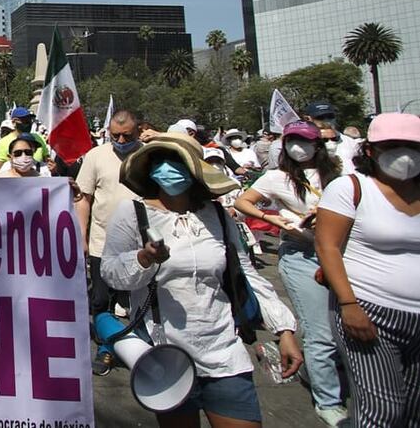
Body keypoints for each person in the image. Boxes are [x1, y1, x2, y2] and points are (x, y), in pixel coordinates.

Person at [102, 133, 302, 427]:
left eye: (176, 161)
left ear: (193, 168)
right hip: (166, 356)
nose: (167, 168)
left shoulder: (218, 215)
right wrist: (144, 259)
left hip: (224, 351)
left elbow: (245, 273)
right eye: (159, 161)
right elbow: (111, 272)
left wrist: (283, 329)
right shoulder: (133, 213)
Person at [232, 121, 347, 425]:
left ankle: (314, 367)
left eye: (304, 140)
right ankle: (329, 401)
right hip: (302, 256)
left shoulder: (342, 173)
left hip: (346, 256)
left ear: (319, 145)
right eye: (291, 140)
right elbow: (242, 201)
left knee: (341, 325)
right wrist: (274, 219)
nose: (298, 147)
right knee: (321, 331)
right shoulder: (276, 178)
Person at [315, 112, 420, 427]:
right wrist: (348, 304)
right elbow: (327, 247)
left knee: (414, 410)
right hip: (370, 311)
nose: (404, 154)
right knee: (382, 410)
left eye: (411, 146)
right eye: (392, 146)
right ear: (371, 151)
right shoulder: (350, 188)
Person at [73, 110, 143, 376]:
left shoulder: (149, 154)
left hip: (140, 245)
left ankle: (138, 344)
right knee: (102, 299)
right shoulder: (96, 156)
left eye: (127, 135)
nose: (121, 140)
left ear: (139, 131)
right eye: (115, 135)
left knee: (139, 298)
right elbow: (83, 198)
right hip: (103, 242)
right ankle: (107, 348)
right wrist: (82, 234)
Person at [0, 107, 48, 176]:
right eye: (24, 120)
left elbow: (47, 160)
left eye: (30, 120)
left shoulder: (39, 138)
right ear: (14, 122)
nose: (28, 123)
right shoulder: (2, 143)